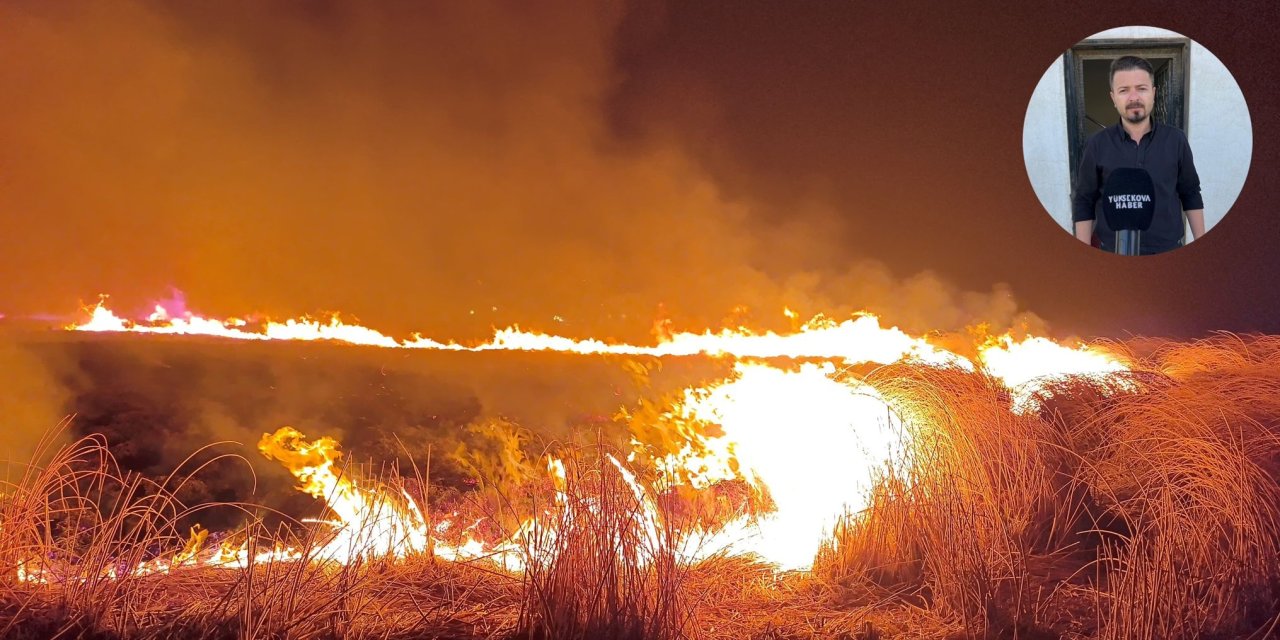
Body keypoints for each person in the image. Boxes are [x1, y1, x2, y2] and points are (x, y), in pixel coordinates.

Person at [1071, 55, 1204, 255]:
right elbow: (1084, 200)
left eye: (1141, 88)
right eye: (1124, 90)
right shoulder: (1096, 144)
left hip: (1169, 250)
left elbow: (1191, 193)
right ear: (1113, 98)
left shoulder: (1176, 140)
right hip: (1112, 251)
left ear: (1153, 93)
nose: (1134, 98)